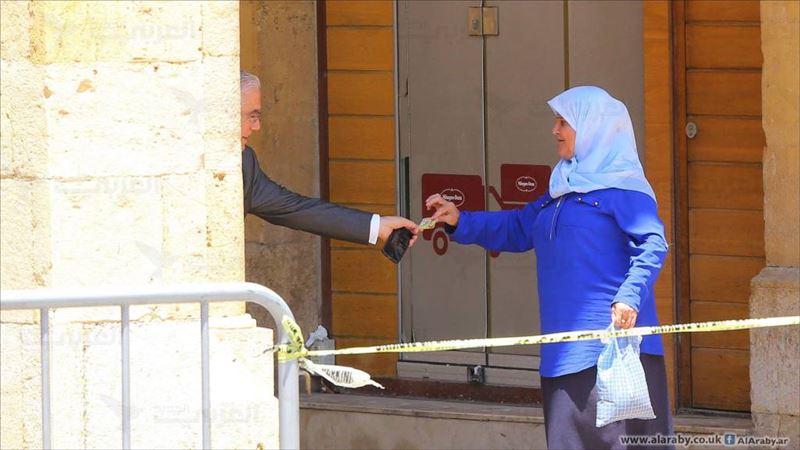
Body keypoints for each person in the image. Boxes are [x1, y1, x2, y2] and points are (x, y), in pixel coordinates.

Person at [426, 86, 674, 449]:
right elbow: (517, 228)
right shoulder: (559, 191)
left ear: (594, 128)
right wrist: (459, 221)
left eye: (563, 122)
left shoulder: (625, 190)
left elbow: (653, 244)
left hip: (617, 353)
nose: (554, 130)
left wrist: (629, 296)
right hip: (562, 356)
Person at [240, 70, 417, 247]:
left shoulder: (246, 162)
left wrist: (378, 226)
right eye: (252, 116)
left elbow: (297, 209)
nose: (256, 126)